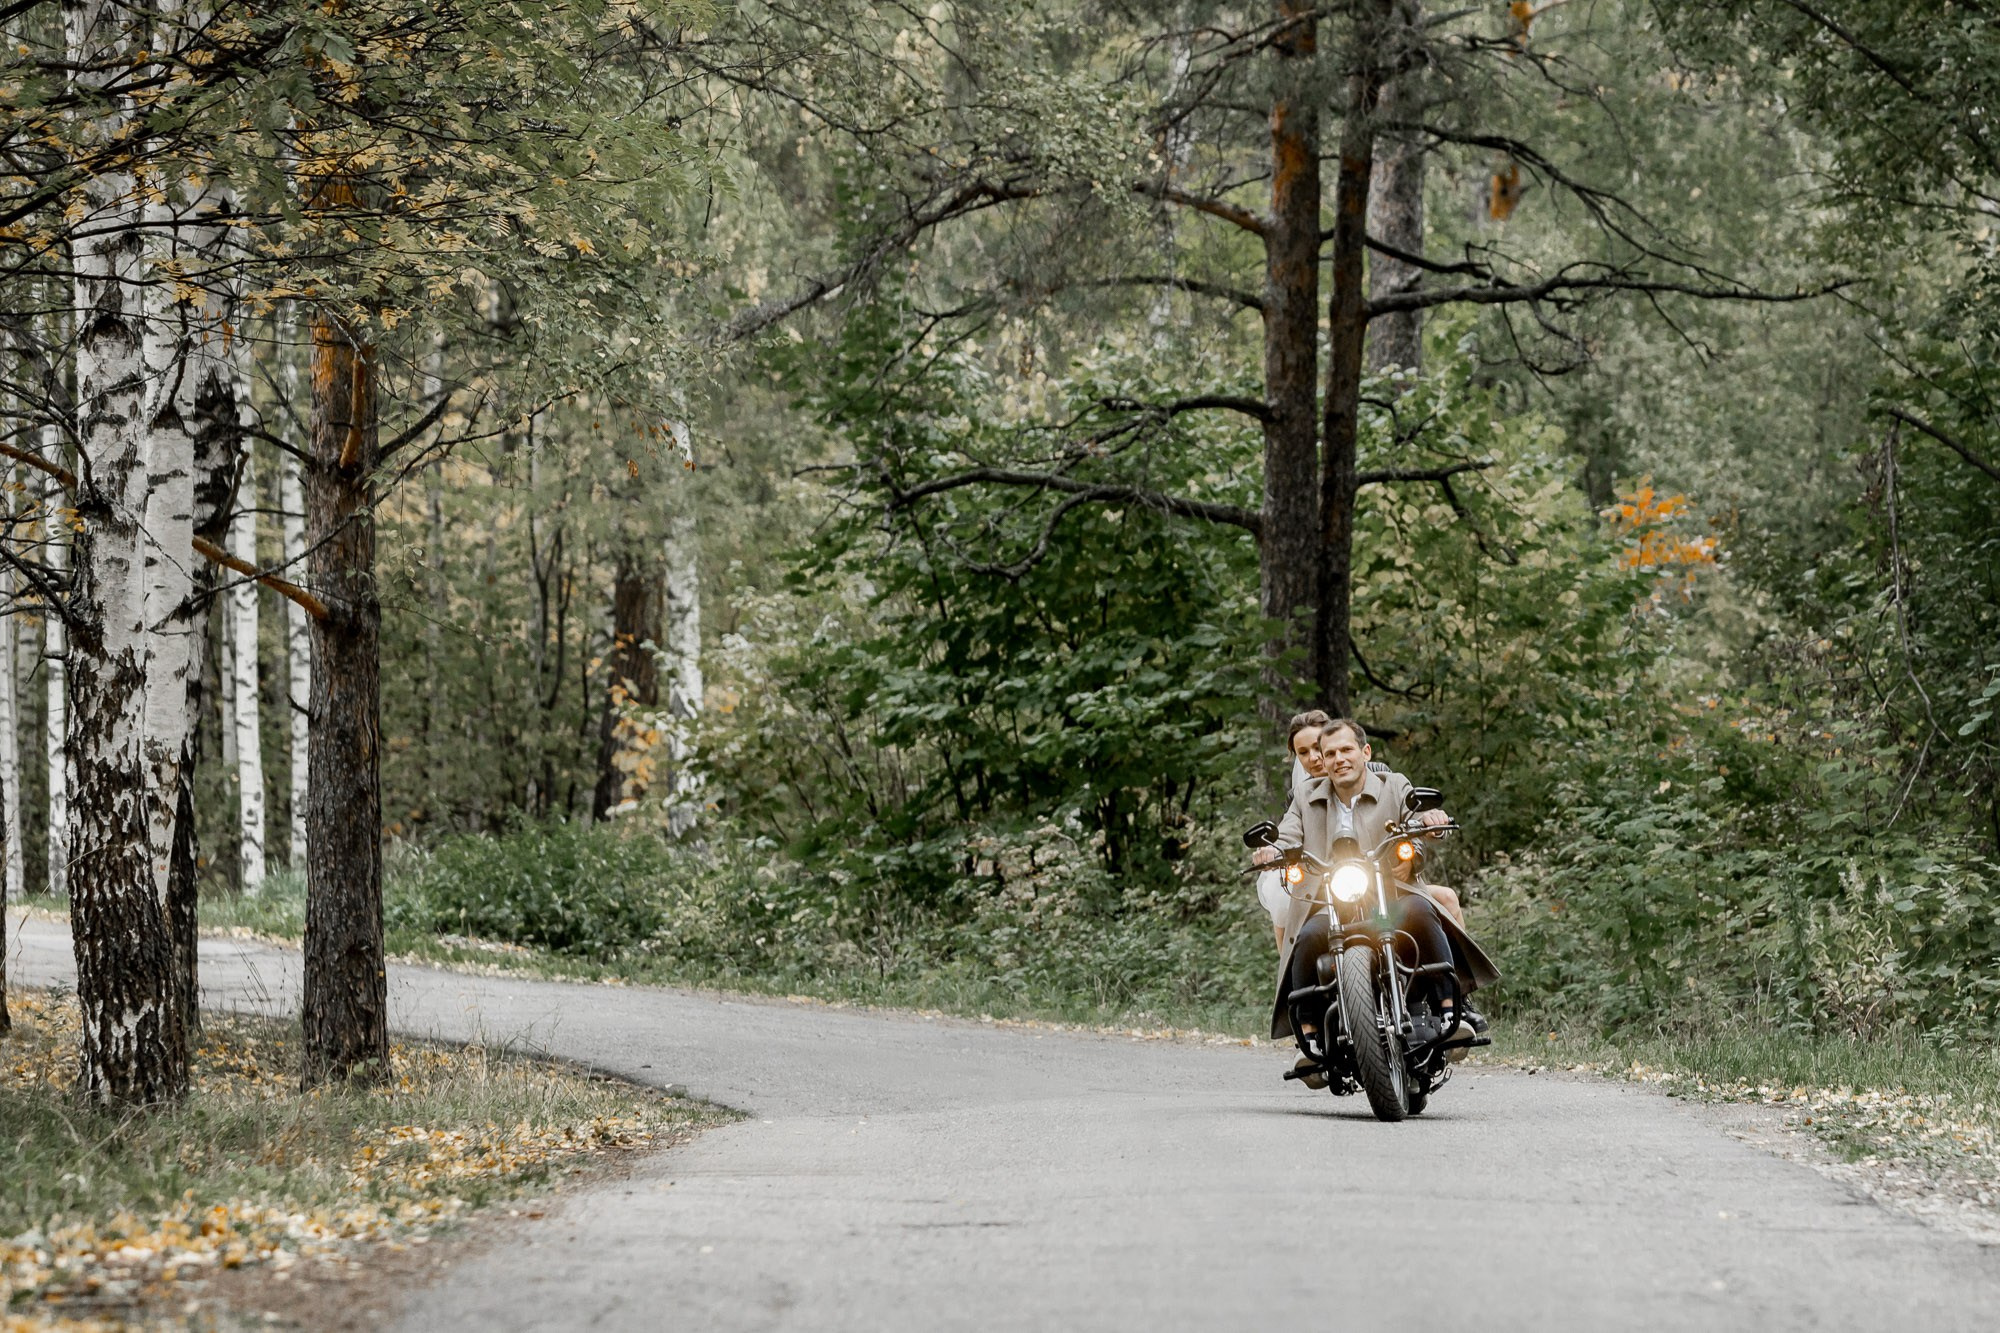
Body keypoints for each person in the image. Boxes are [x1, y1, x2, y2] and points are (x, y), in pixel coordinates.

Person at [1252, 719, 1499, 1081]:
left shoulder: (1393, 785)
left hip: (1389, 902)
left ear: (1365, 752)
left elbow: (1414, 820)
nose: (1338, 759)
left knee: (1422, 908)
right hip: (1334, 906)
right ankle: (1309, 1039)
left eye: (1346, 750)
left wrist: (1420, 836)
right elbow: (1289, 833)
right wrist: (1270, 850)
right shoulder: (1306, 797)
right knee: (1306, 938)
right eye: (1330, 753)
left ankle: (1452, 1008)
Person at [1258, 710, 1333, 951]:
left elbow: (1405, 809)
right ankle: (1287, 984)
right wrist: (1273, 848)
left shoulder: (1375, 773)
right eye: (1303, 752)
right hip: (1327, 879)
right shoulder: (1299, 796)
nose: (1314, 757)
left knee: (1444, 899)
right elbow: (1290, 828)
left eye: (1318, 747)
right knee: (1288, 918)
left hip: (1378, 874)